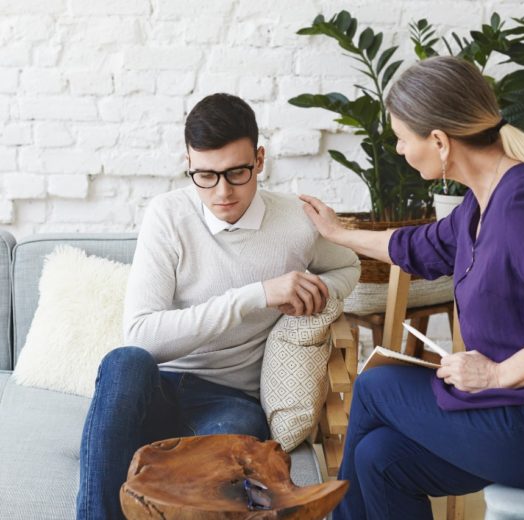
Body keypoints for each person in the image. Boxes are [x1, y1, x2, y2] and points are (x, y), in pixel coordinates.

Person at [300, 56, 524, 520]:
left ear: (439, 141)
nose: (399, 149)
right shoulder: (481, 202)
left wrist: (497, 375)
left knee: (378, 385)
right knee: (380, 457)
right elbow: (417, 246)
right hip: (519, 417)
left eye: (402, 138)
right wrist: (340, 232)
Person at [76, 93, 360, 520]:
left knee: (232, 471)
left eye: (237, 173)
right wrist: (256, 295)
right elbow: (142, 337)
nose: (222, 192)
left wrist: (313, 288)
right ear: (188, 164)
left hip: (230, 399)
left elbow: (349, 266)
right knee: (124, 361)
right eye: (204, 176)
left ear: (259, 160)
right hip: (156, 386)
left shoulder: (296, 221)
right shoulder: (167, 216)